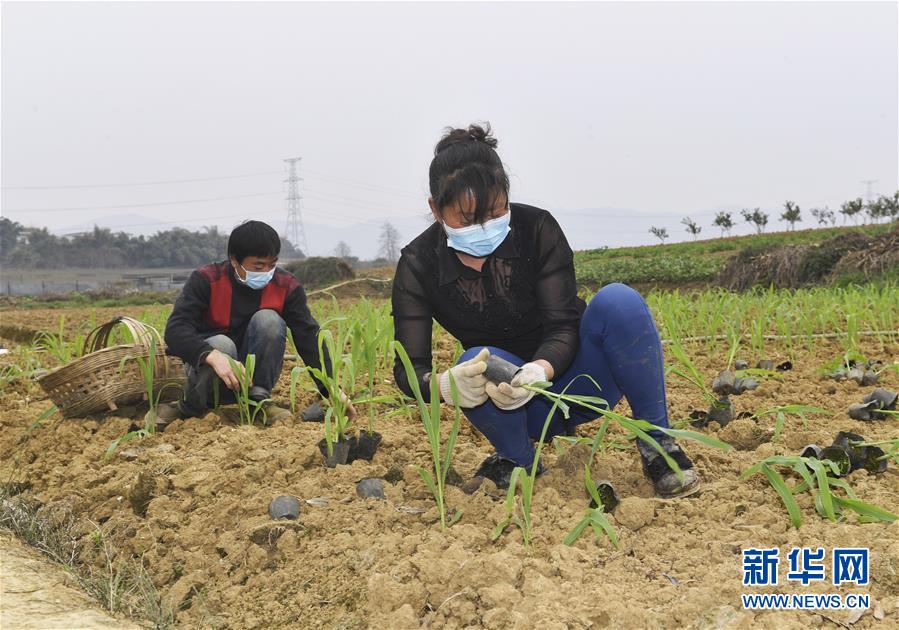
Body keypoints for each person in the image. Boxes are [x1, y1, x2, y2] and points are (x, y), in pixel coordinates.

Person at [391, 123, 699, 498]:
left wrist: (539, 370)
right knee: (476, 359)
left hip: (582, 383)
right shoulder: (419, 264)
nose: (484, 227)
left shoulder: (536, 228)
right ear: (435, 210)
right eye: (466, 219)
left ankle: (658, 445)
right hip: (509, 407)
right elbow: (409, 369)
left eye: (495, 211)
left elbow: (564, 324)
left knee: (619, 301)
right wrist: (443, 386)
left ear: (507, 195)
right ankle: (518, 459)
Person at [155, 220, 354, 426]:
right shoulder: (207, 280)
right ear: (234, 260)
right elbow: (175, 329)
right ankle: (191, 408)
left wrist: (330, 387)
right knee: (223, 345)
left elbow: (308, 336)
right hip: (210, 374)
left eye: (272, 264)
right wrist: (211, 355)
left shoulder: (285, 286)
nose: (266, 272)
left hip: (251, 375)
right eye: (258, 265)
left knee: (269, 320)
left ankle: (258, 401)